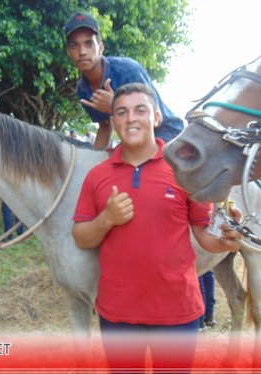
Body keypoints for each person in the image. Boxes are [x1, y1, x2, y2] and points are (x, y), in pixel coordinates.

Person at [72, 83, 243, 372]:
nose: (131, 118)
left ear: (157, 117)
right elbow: (81, 237)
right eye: (122, 112)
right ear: (113, 121)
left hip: (178, 312)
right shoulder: (96, 176)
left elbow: (205, 234)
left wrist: (226, 241)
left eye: (141, 110)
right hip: (118, 314)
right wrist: (107, 219)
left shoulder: (184, 171)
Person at [64, 11, 184, 149]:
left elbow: (157, 119)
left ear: (100, 48)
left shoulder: (128, 70)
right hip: (134, 140)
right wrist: (93, 159)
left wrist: (114, 105)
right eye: (74, 45)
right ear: (68, 52)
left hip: (166, 134)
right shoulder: (83, 90)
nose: (82, 51)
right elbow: (105, 126)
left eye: (89, 43)